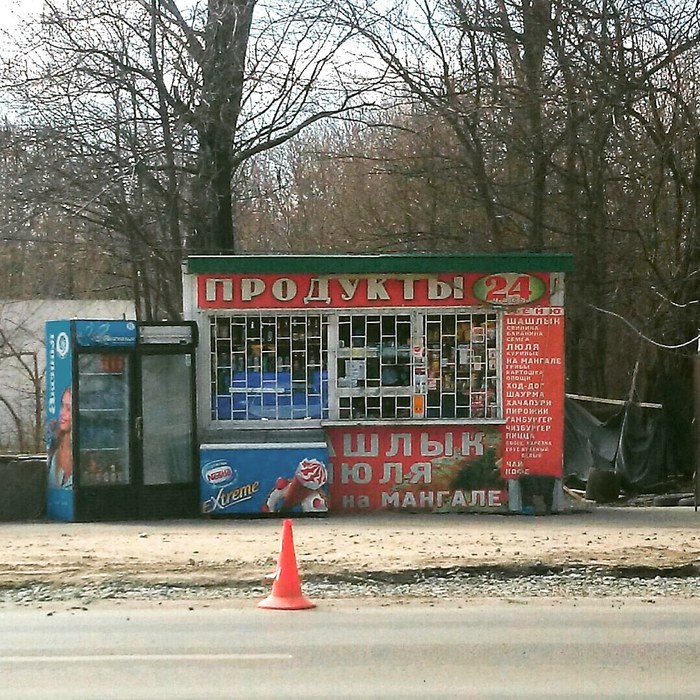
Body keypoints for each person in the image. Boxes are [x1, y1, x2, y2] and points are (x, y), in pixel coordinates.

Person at [48, 386, 73, 488]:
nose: (62, 413)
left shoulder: (87, 454)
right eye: (62, 406)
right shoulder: (52, 450)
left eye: (68, 409)